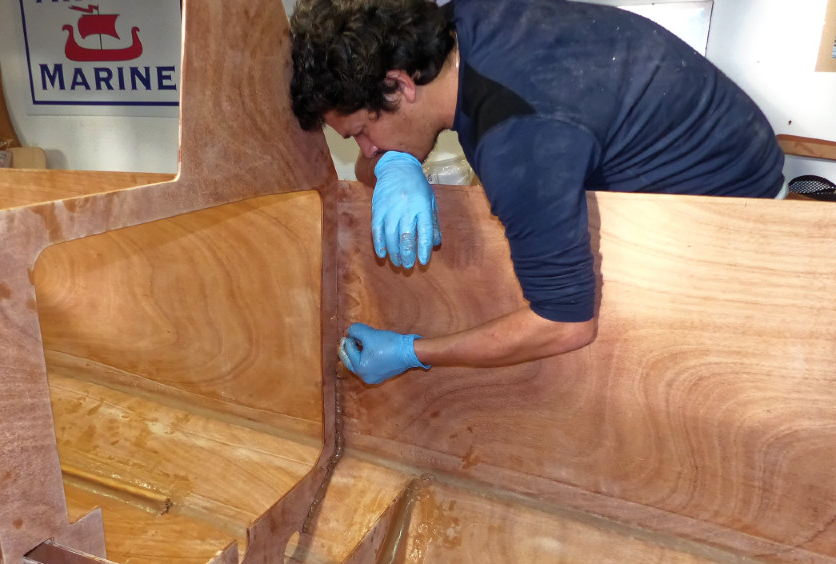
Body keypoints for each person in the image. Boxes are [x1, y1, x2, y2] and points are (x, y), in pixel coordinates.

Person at [289, 0, 785, 385]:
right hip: (693, 122)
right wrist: (396, 158)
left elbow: (565, 325)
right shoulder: (452, 24)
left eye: (359, 131)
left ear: (399, 85)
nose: (365, 150)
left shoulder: (519, 146)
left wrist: (411, 352)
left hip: (727, 194)